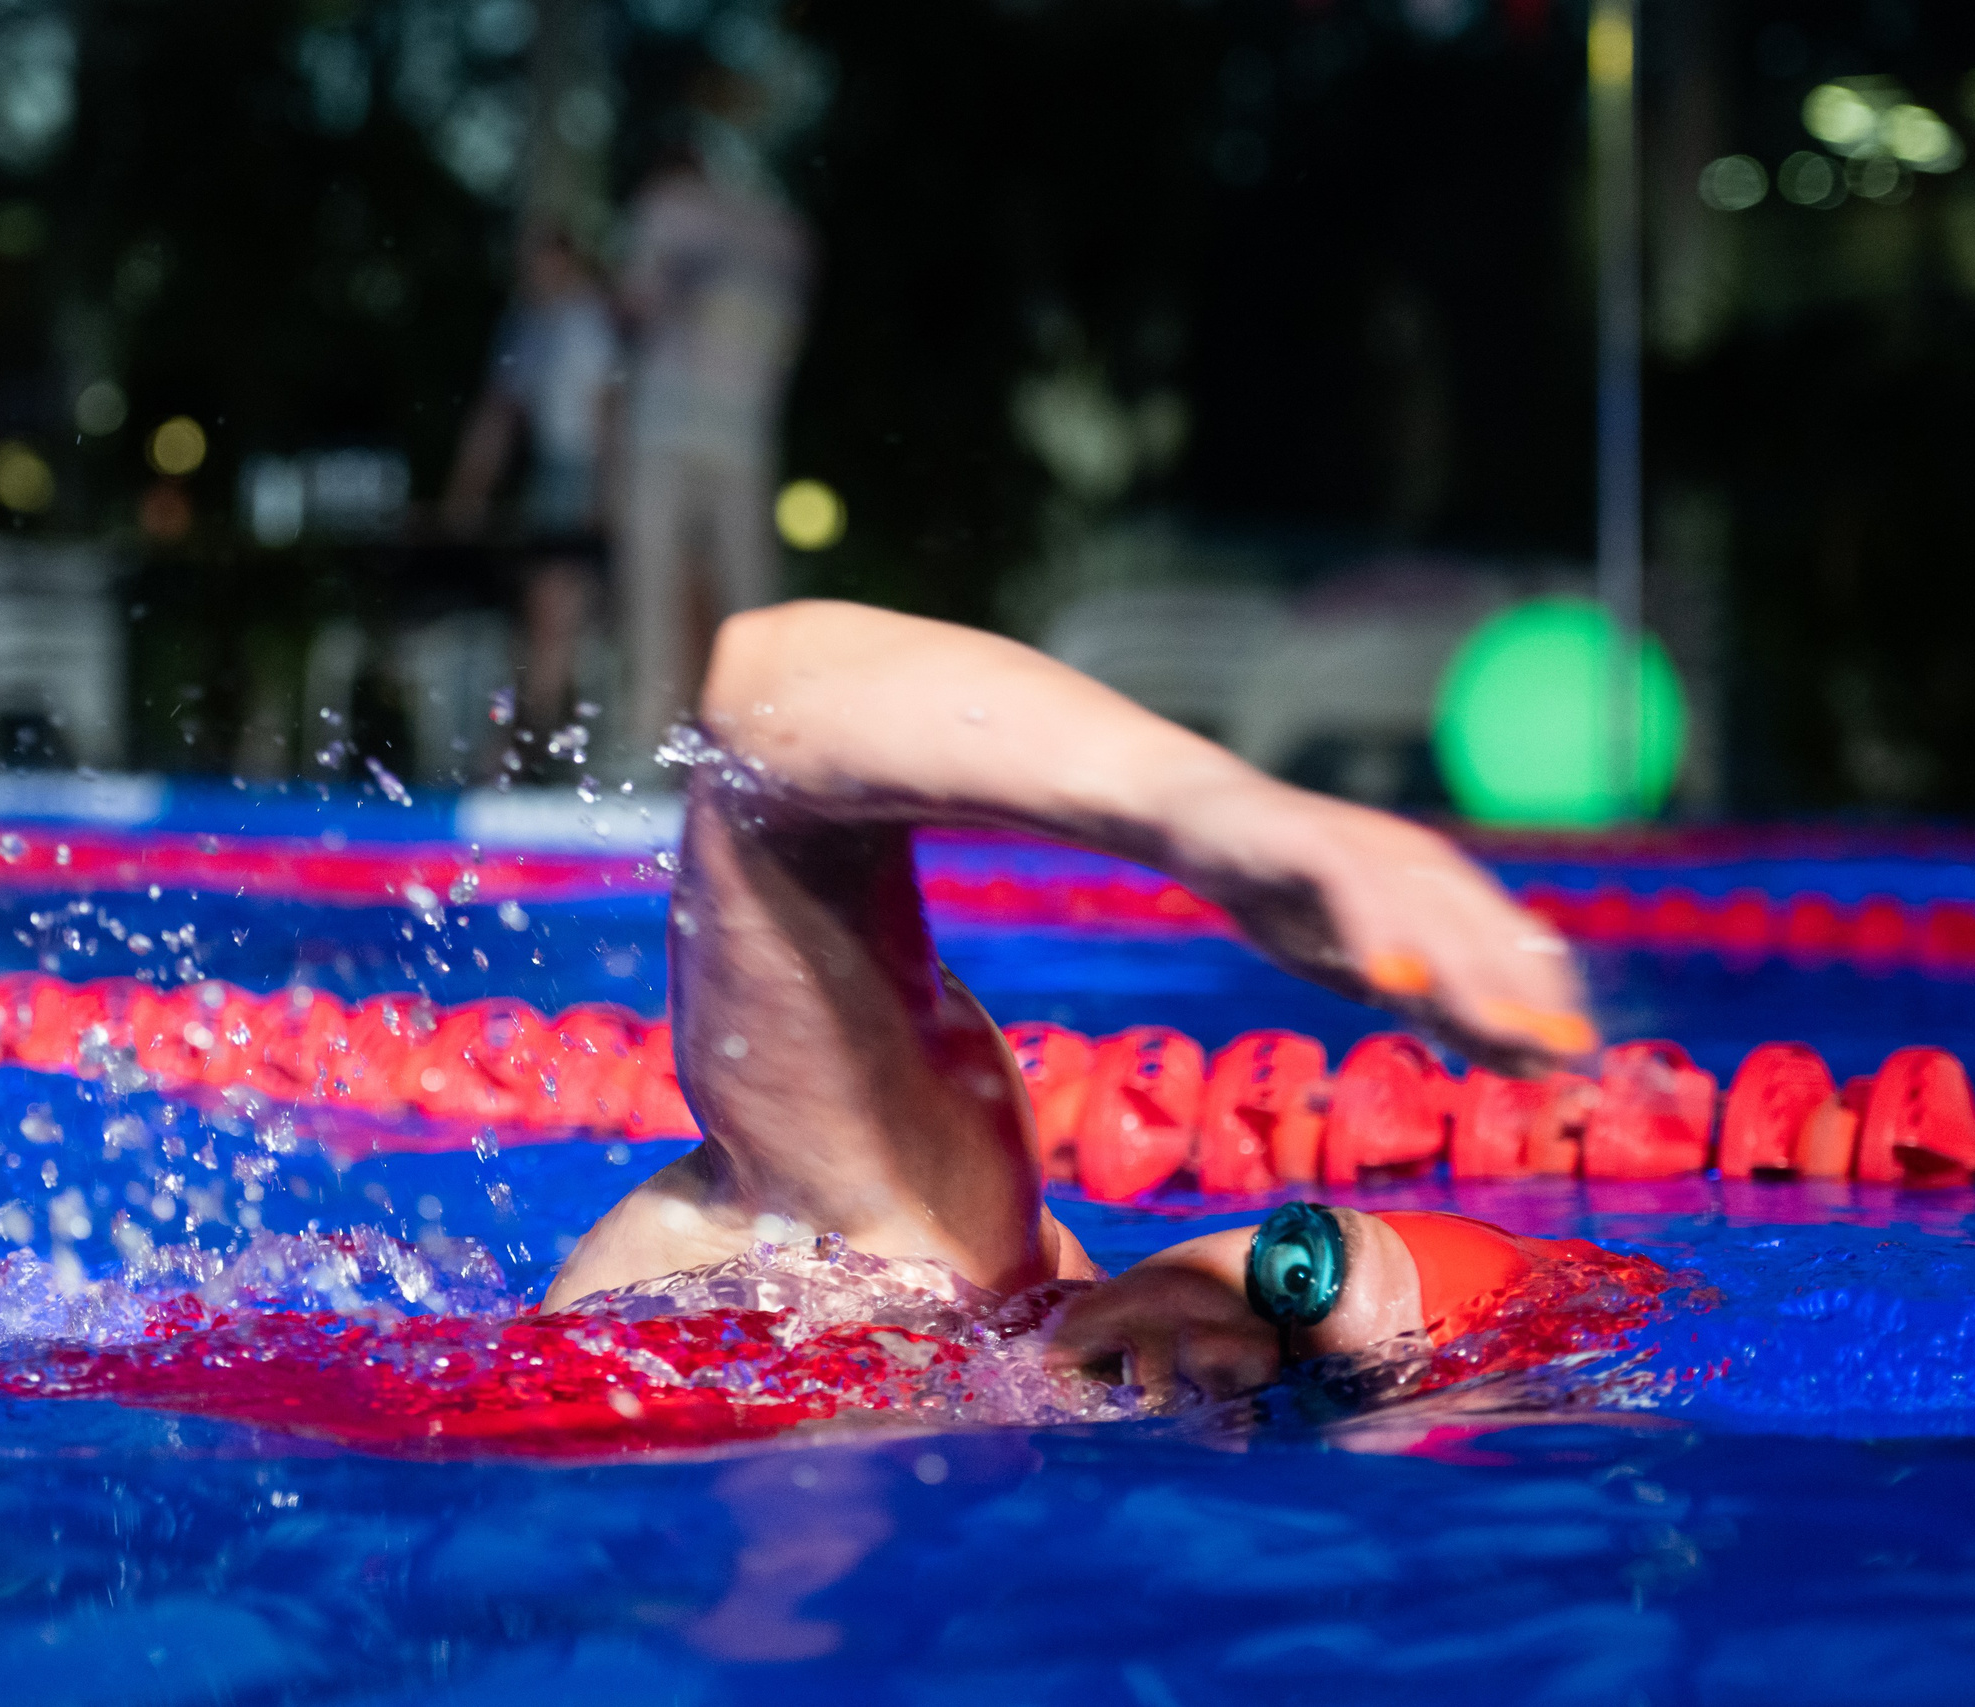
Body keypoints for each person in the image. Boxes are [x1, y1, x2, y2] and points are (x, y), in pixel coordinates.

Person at [545, 600, 1613, 1402]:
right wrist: (1212, 812)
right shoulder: (946, 1241)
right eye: (1296, 1277)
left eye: (1308, 1404)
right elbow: (772, 696)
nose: (1235, 1358)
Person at [613, 144, 812, 756]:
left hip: (668, 427)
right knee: (749, 596)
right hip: (742, 431)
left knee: (653, 589)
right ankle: (765, 741)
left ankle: (651, 739)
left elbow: (634, 306)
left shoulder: (665, 208)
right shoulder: (782, 229)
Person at [442, 226, 621, 749]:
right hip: (550, 470)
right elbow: (496, 416)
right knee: (542, 608)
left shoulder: (590, 316)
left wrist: (607, 499)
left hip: (586, 471)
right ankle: (541, 733)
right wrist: (465, 498)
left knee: (558, 608)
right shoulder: (526, 323)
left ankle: (543, 739)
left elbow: (610, 407)